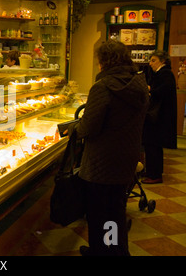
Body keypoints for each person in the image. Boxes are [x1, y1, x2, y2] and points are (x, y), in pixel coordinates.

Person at [67, 40, 149, 256]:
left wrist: (76, 127)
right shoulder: (138, 83)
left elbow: (89, 127)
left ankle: (106, 251)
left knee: (101, 212)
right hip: (126, 156)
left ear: (104, 61)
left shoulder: (103, 87)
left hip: (102, 162)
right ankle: (112, 250)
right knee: (114, 210)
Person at [142, 50, 177, 184]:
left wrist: (150, 90)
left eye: (153, 60)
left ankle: (155, 174)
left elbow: (164, 90)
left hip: (158, 118)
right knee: (152, 146)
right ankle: (152, 171)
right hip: (159, 117)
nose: (150, 63)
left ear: (162, 61)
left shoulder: (165, 73)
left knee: (153, 145)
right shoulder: (163, 73)